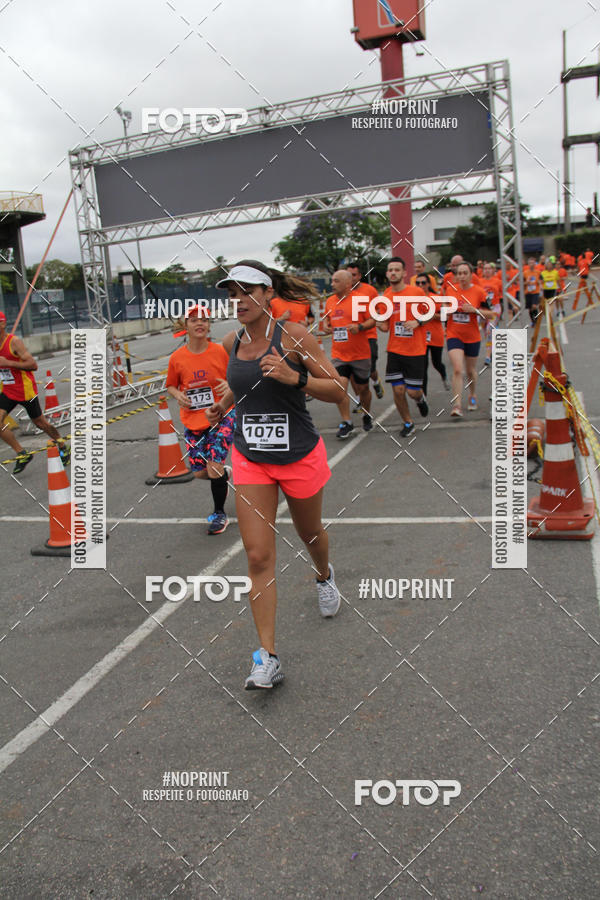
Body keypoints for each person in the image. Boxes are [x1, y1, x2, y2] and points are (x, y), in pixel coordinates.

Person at [207, 260, 345, 690]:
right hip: (251, 458)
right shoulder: (231, 341)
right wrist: (223, 404)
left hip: (299, 454)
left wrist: (295, 377)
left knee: (310, 534)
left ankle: (324, 575)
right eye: (232, 293)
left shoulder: (295, 336)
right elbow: (241, 384)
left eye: (247, 291)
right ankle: (267, 657)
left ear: (268, 294)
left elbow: (338, 389)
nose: (238, 301)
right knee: (258, 557)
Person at [166, 304, 234, 535]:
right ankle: (223, 474)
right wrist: (178, 396)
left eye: (204, 320)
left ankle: (219, 514)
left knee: (213, 466)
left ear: (209, 325)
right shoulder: (177, 358)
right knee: (199, 472)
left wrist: (229, 385)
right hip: (193, 420)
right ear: (185, 326)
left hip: (223, 415)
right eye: (194, 320)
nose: (200, 323)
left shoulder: (220, 351)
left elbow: (237, 376)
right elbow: (171, 385)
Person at [0, 310, 70, 474]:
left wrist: (8, 362)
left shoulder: (14, 342)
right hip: (8, 390)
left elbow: (33, 364)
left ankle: (61, 444)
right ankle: (21, 453)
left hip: (25, 390)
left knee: (40, 423)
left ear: (2, 324)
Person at [377, 257, 429, 438]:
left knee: (413, 391)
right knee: (398, 390)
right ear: (386, 273)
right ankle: (408, 422)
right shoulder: (386, 297)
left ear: (404, 273)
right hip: (395, 350)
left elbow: (431, 314)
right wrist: (378, 322)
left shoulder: (416, 292)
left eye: (397, 270)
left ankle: (420, 399)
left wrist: (418, 321)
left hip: (415, 350)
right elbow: (385, 326)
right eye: (390, 270)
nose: (393, 273)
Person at [322, 269, 375, 437]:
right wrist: (326, 327)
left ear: (347, 284)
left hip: (360, 354)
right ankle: (347, 422)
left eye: (336, 281)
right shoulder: (330, 301)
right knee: (339, 388)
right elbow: (326, 321)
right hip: (339, 355)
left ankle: (366, 414)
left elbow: (373, 320)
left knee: (363, 388)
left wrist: (359, 327)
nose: (332, 284)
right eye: (332, 281)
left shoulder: (359, 300)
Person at [444, 262, 495, 417]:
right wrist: (448, 310)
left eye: (465, 273)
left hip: (472, 336)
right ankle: (457, 405)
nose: (462, 276)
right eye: (459, 273)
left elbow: (491, 314)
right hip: (454, 334)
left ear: (471, 274)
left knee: (470, 371)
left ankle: (472, 395)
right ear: (456, 275)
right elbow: (444, 311)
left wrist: (475, 310)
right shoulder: (450, 290)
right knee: (458, 369)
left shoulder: (479, 292)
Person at [346, 262, 385, 400]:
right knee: (351, 370)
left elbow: (380, 308)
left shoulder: (370, 290)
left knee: (370, 367)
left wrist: (376, 318)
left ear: (360, 276)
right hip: (351, 337)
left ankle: (375, 382)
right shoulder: (344, 292)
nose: (351, 278)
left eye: (354, 275)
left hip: (368, 334)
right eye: (349, 275)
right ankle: (359, 399)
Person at [414, 272, 450, 394]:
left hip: (435, 335)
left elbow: (445, 317)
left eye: (423, 283)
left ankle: (444, 375)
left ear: (428, 284)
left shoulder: (435, 298)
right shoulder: (413, 299)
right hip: (420, 337)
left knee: (437, 363)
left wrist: (432, 315)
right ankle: (423, 395)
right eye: (417, 283)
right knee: (423, 367)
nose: (420, 285)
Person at [479, 262, 502, 362]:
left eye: (489, 268)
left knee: (489, 330)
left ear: (493, 270)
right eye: (485, 268)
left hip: (494, 309)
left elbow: (503, 294)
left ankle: (487, 356)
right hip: (484, 310)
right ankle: (491, 348)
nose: (487, 270)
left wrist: (513, 304)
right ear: (483, 270)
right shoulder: (479, 282)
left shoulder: (498, 281)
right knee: (486, 333)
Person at [522, 257, 542, 325]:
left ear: (535, 264)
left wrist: (540, 283)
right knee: (530, 309)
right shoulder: (525, 273)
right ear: (528, 264)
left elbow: (541, 280)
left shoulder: (538, 272)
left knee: (534, 306)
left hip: (535, 292)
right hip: (528, 292)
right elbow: (521, 283)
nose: (531, 264)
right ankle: (532, 321)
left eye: (533, 263)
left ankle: (536, 319)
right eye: (530, 263)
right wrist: (526, 282)